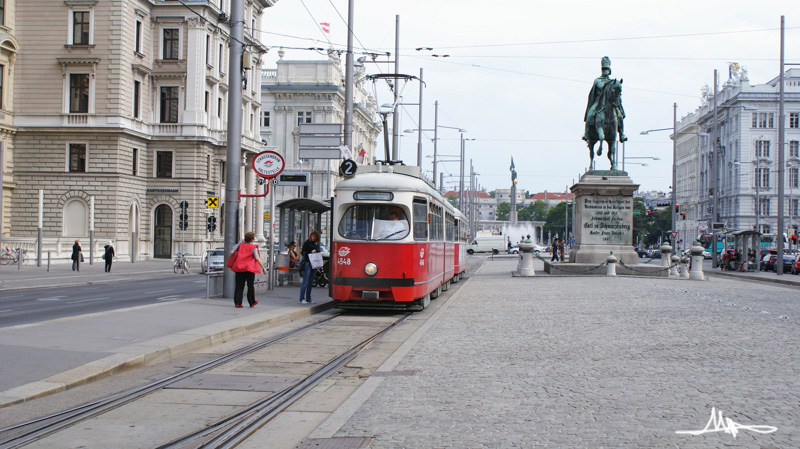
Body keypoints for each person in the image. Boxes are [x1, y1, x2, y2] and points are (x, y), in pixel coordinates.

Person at [229, 231, 267, 308]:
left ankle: (238, 302)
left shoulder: (239, 245)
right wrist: (263, 267)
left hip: (239, 268)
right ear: (252, 240)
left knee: (239, 286)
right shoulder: (253, 248)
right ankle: (252, 302)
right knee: (250, 286)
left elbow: (232, 252)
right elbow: (257, 258)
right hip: (249, 268)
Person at [299, 230, 321, 304]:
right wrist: (311, 252)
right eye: (312, 236)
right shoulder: (307, 243)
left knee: (310, 281)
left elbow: (319, 251)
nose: (313, 237)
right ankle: (301, 298)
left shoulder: (316, 244)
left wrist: (316, 250)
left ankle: (308, 298)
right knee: (305, 281)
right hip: (308, 262)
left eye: (314, 236)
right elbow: (303, 252)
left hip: (313, 263)